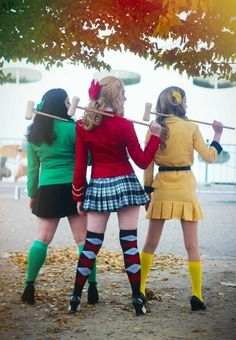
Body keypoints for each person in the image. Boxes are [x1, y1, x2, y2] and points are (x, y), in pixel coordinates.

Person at [69, 76, 162, 316]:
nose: (126, 97)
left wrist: (79, 195)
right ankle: (137, 300)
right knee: (129, 243)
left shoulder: (83, 126)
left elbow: (80, 167)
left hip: (99, 186)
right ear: (114, 97)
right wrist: (155, 136)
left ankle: (75, 297)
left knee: (91, 244)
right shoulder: (124, 125)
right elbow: (142, 161)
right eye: (123, 93)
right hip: (125, 184)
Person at [140, 86, 224, 311]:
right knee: (192, 245)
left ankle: (139, 290)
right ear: (181, 103)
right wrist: (217, 135)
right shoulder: (192, 127)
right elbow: (210, 157)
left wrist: (147, 190)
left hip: (162, 188)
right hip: (186, 188)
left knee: (150, 243)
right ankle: (197, 295)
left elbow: (147, 164)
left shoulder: (155, 129)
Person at [21, 88, 98, 305]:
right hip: (76, 187)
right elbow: (89, 159)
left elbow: (33, 169)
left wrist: (32, 194)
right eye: (67, 102)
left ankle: (29, 285)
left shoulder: (33, 134)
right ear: (63, 105)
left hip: (47, 189)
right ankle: (92, 288)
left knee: (42, 238)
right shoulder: (73, 129)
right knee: (84, 240)